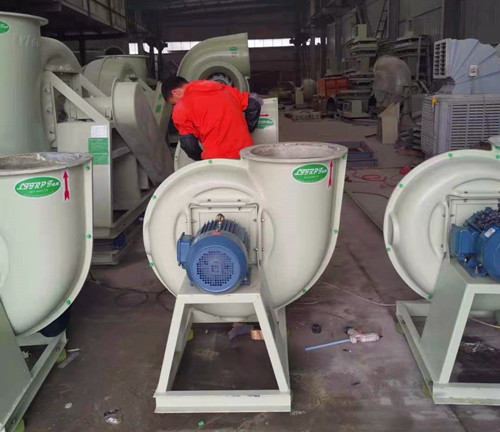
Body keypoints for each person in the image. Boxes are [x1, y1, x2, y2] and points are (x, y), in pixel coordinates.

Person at [162, 76, 262, 161]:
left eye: (174, 103)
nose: (175, 106)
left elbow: (189, 144)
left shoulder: (181, 108)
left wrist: (200, 160)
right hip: (246, 155)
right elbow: (253, 105)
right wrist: (247, 130)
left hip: (217, 161)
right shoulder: (224, 89)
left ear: (176, 93)